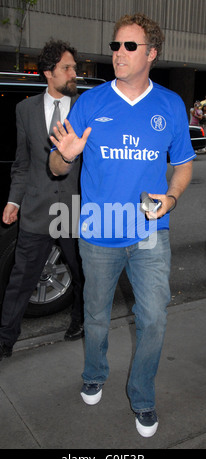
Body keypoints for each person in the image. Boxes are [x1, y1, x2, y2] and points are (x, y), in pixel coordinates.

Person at [49, 13, 195, 438]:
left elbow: (184, 166)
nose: (119, 54)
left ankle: (143, 396)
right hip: (98, 232)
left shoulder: (169, 104)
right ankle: (95, 372)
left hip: (150, 232)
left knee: (153, 318)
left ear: (151, 53)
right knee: (95, 316)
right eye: (115, 46)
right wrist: (68, 155)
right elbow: (57, 166)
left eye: (129, 46)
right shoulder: (91, 103)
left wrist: (170, 198)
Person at [0, 40, 84, 363]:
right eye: (67, 68)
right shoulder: (25, 110)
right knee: (21, 280)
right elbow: (22, 163)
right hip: (35, 210)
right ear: (48, 73)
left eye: (74, 67)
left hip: (75, 210)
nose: (74, 72)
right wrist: (14, 201)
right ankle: (5, 338)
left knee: (82, 276)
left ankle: (79, 322)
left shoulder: (84, 107)